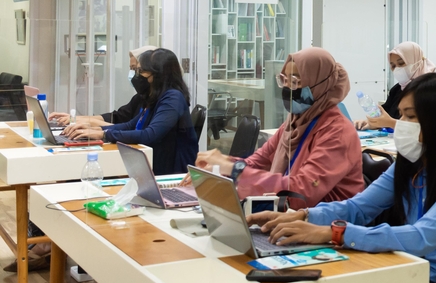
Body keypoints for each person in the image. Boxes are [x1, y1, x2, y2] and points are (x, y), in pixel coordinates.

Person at [249, 73, 436, 283]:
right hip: (408, 271)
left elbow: (422, 237)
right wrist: (303, 215)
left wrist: (334, 233)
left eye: (411, 117)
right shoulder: (411, 164)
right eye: (400, 115)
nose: (401, 124)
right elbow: (359, 207)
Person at [191, 48, 363, 209]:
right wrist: (215, 168)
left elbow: (300, 192)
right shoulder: (293, 123)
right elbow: (257, 162)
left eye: (295, 80)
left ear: (320, 84)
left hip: (326, 229)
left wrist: (234, 170)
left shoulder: (337, 131)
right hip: (289, 218)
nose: (288, 87)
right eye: (284, 79)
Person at [65, 48, 197, 175]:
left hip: (170, 174)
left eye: (141, 71)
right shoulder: (155, 97)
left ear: (159, 74)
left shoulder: (173, 98)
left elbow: (150, 135)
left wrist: (103, 135)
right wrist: (97, 130)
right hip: (149, 164)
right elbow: (131, 125)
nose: (137, 75)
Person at [49, 45, 156, 127]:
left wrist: (88, 124)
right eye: (132, 69)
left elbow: (129, 130)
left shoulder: (163, 101)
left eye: (137, 69)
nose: (133, 74)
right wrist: (77, 119)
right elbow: (116, 117)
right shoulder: (140, 98)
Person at [356, 41, 435, 130]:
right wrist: (371, 123)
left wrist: (389, 123)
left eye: (401, 63)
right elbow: (385, 115)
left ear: (415, 60)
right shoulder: (397, 89)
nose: (397, 69)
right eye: (393, 66)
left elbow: (428, 128)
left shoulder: (431, 89)